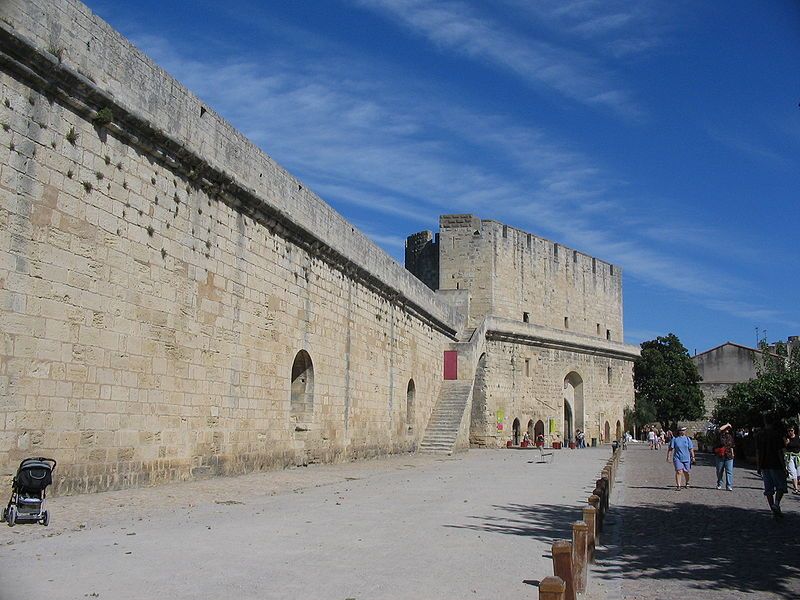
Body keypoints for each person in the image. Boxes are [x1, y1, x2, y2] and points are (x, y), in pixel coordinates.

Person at [756, 414, 788, 519]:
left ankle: (773, 510)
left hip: (764, 464)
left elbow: (758, 452)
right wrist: (784, 466)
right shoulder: (777, 434)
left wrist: (758, 465)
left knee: (768, 489)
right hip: (776, 464)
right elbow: (780, 451)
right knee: (781, 486)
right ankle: (777, 504)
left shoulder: (760, 434)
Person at [667, 426, 695, 490]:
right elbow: (670, 449)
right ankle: (678, 486)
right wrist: (668, 457)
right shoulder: (675, 439)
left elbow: (691, 449)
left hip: (686, 458)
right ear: (679, 431)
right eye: (682, 430)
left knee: (687, 472)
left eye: (684, 430)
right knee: (679, 471)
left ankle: (687, 482)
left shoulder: (688, 439)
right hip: (677, 458)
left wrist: (693, 457)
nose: (684, 431)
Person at [714, 423, 735, 491]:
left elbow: (731, 445)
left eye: (728, 428)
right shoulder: (719, 435)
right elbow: (718, 430)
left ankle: (729, 485)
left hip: (728, 455)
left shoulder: (730, 436)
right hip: (720, 455)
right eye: (726, 428)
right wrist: (727, 424)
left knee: (729, 471)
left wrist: (732, 453)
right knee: (719, 471)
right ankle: (719, 483)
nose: (727, 429)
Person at [784, 424, 800, 495]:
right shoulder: (786, 438)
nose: (790, 432)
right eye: (788, 431)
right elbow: (784, 447)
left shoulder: (798, 437)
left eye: (791, 430)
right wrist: (786, 443)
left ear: (794, 431)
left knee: (798, 473)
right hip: (789, 457)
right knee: (793, 472)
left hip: (798, 456)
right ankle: (796, 488)